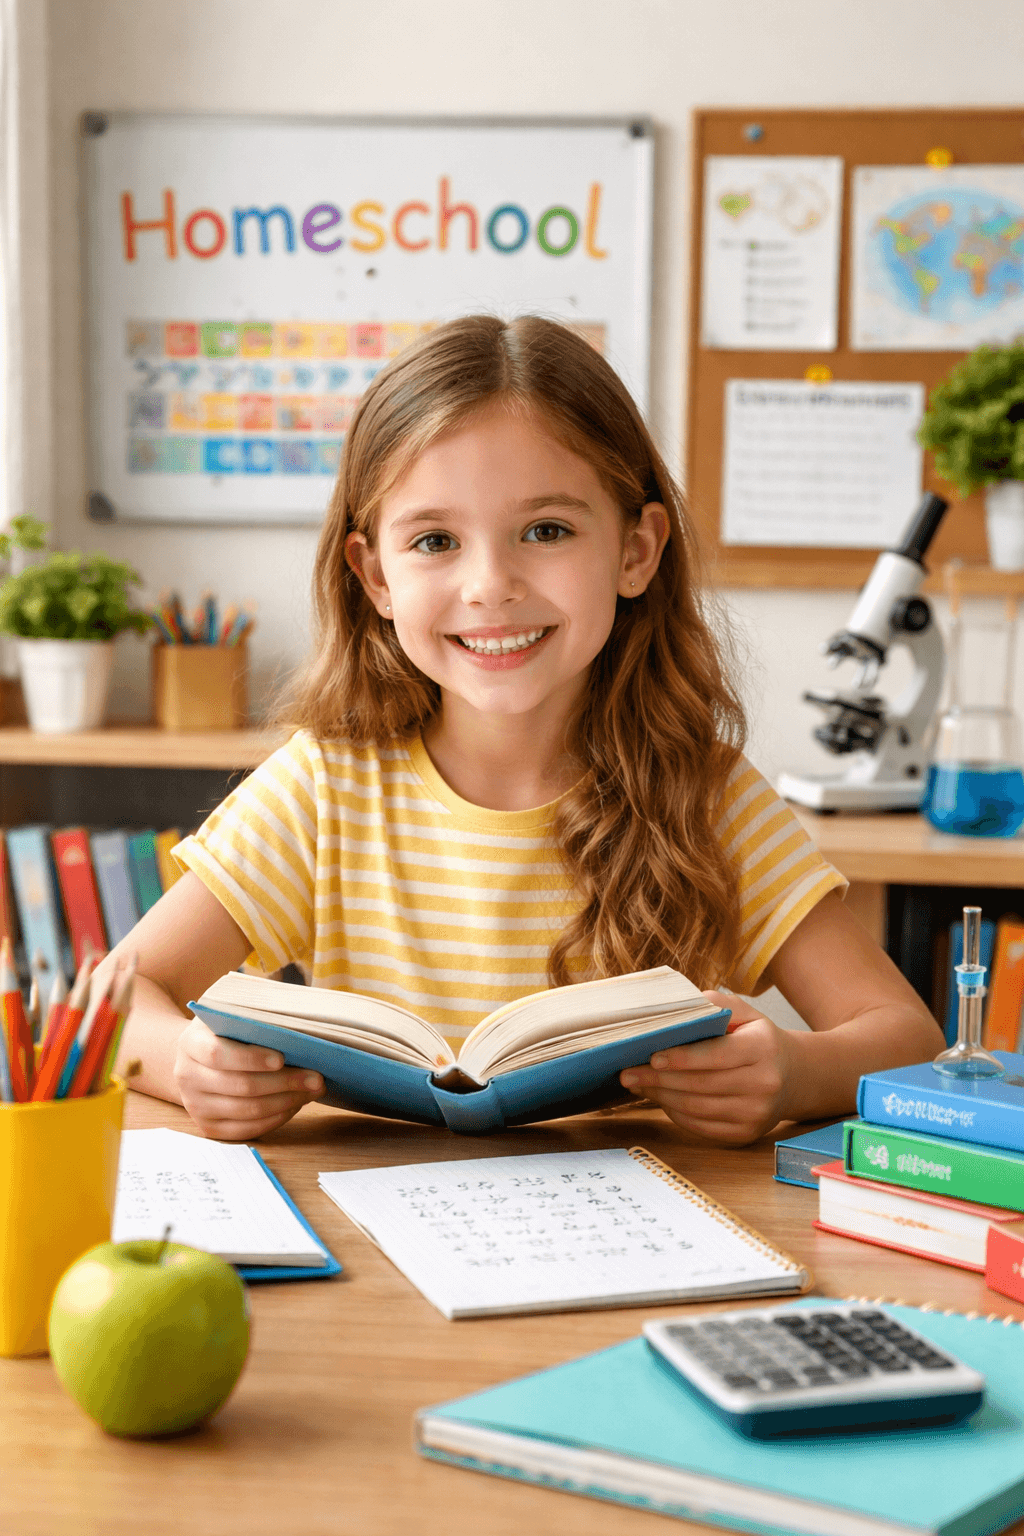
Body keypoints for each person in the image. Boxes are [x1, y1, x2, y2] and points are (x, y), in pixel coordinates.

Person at [104, 315, 943, 1142]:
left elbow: (906, 1039)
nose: (490, 585)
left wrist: (794, 1073)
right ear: (374, 576)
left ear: (636, 550)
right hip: (374, 1239)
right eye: (435, 540)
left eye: (546, 530)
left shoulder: (708, 795)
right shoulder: (324, 787)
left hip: (643, 1241)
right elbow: (114, 1003)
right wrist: (189, 1062)